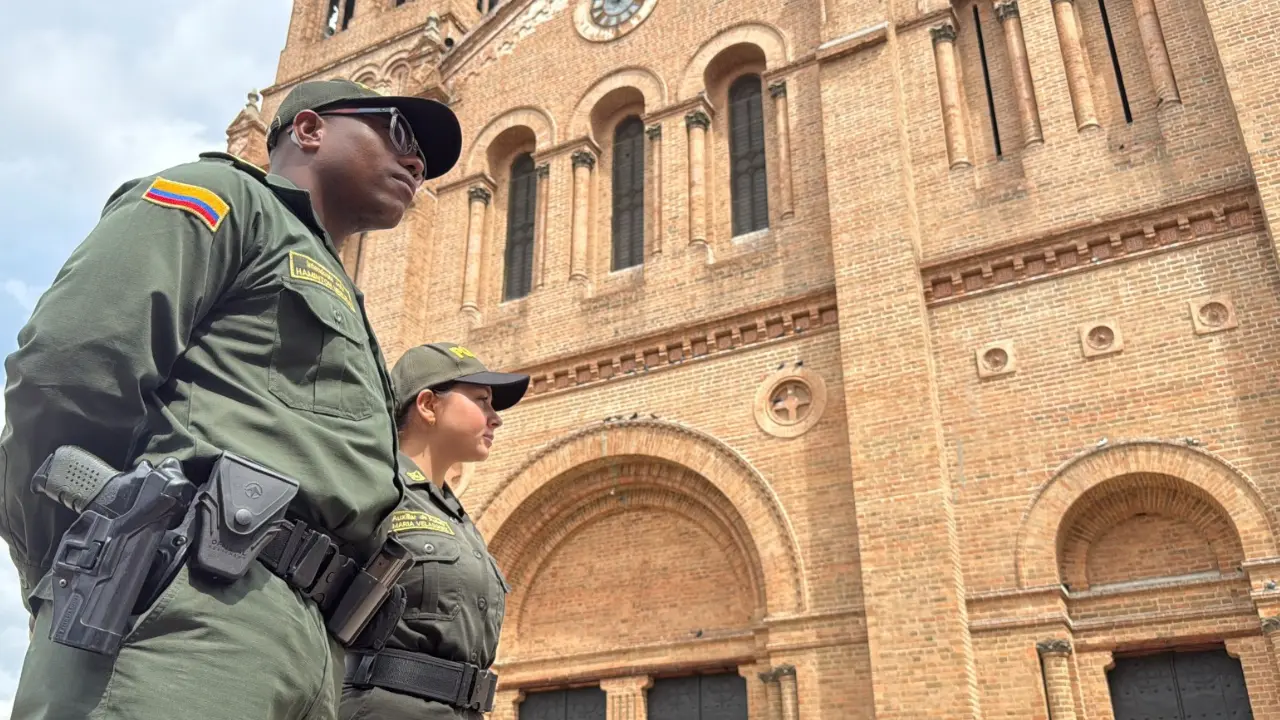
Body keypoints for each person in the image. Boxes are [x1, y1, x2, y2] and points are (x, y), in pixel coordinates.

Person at [0, 78, 463, 719]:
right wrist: (81, 564)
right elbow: (68, 371)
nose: (417, 162)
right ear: (308, 129)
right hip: (188, 611)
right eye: (399, 133)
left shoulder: (336, 282)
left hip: (303, 645)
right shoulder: (226, 197)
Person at [339, 342, 528, 719]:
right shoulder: (371, 487)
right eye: (481, 400)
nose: (496, 418)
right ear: (427, 405)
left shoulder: (457, 519)